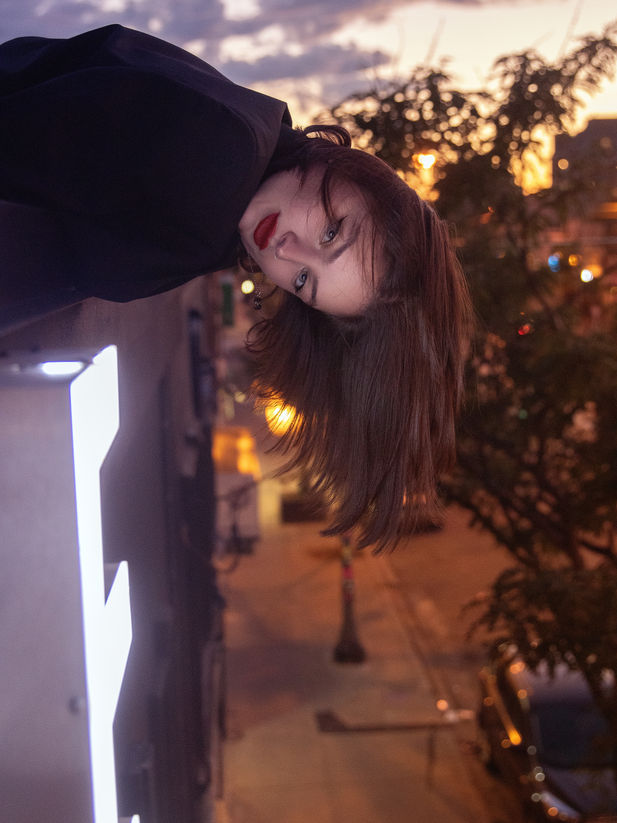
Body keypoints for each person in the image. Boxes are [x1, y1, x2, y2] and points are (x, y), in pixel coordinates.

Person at [0, 24, 471, 550]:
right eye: (331, 231)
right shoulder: (219, 161)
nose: (289, 250)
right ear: (350, 174)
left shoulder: (246, 151)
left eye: (303, 281)